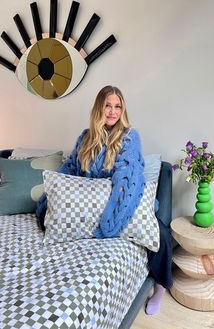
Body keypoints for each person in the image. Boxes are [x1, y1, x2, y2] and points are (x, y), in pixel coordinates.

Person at [36, 85, 172, 315]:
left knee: (160, 234)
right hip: (91, 204)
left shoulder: (129, 136)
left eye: (117, 106)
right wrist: (51, 197)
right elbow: (70, 170)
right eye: (108, 105)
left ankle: (160, 287)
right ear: (99, 108)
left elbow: (127, 182)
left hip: (122, 203)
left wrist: (109, 226)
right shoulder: (85, 137)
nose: (112, 111)